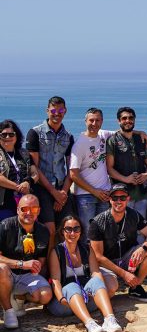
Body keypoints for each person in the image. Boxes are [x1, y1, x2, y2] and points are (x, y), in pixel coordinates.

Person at [47, 215, 124, 332]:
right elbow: (55, 280)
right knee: (71, 285)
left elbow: (95, 272)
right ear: (62, 231)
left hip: (85, 298)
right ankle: (90, 324)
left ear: (81, 231)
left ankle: (110, 319)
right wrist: (62, 299)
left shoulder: (87, 248)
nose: (73, 233)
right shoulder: (57, 252)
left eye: (76, 229)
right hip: (65, 303)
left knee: (96, 281)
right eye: (68, 229)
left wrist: (100, 288)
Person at [87, 183, 147, 302]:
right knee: (111, 289)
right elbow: (98, 257)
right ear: (110, 200)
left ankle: (135, 286)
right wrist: (124, 274)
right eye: (115, 198)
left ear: (128, 199)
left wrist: (144, 248)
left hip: (126, 257)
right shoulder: (98, 222)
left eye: (122, 198)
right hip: (107, 264)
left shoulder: (133, 214)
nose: (119, 201)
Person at [26, 96, 75, 241]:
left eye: (60, 110)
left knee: (68, 229)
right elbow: (33, 167)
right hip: (42, 188)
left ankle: (63, 261)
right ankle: (47, 263)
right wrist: (54, 193)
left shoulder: (68, 137)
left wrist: (63, 194)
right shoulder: (35, 133)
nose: (57, 113)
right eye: (53, 110)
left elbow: (71, 168)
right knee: (50, 231)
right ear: (47, 111)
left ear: (65, 111)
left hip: (61, 189)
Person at [0, 194, 52, 329]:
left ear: (39, 211)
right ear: (17, 210)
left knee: (45, 295)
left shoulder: (43, 231)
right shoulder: (5, 226)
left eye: (33, 209)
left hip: (26, 276)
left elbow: (42, 257)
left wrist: (37, 266)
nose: (29, 213)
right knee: (1, 269)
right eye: (24, 209)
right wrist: (21, 264)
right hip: (7, 273)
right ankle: (8, 310)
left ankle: (18, 297)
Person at [106, 107, 147, 217]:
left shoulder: (141, 138)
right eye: (124, 118)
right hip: (121, 195)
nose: (128, 121)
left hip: (141, 194)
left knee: (140, 228)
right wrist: (126, 179)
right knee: (123, 228)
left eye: (131, 118)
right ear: (119, 121)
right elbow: (109, 168)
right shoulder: (113, 140)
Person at [69, 109, 114, 224]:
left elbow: (123, 132)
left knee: (102, 232)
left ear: (102, 121)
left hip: (104, 194)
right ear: (85, 121)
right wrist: (94, 191)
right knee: (87, 233)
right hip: (86, 196)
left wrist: (140, 133)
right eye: (91, 120)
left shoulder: (103, 135)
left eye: (97, 120)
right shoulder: (79, 144)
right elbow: (73, 174)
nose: (94, 123)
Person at [0, 120, 37, 222]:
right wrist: (19, 187)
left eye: (11, 134)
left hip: (26, 202)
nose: (8, 137)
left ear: (17, 136)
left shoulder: (24, 153)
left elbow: (35, 173)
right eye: (4, 135)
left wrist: (28, 182)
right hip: (5, 204)